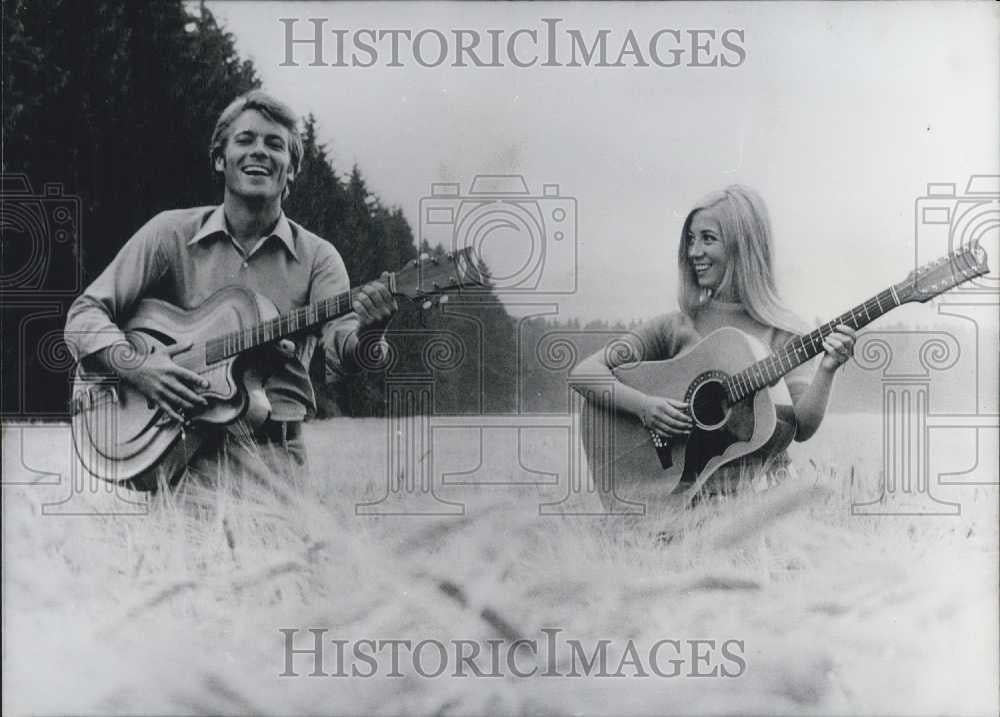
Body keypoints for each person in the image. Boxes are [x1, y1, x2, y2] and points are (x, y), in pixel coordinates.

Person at [64, 90, 398, 495]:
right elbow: (83, 315)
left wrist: (373, 332)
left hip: (275, 463)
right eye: (246, 140)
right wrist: (138, 367)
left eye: (275, 144)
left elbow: (344, 357)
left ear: (291, 170)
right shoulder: (169, 234)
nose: (260, 151)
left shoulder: (319, 258)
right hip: (181, 457)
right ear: (220, 159)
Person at [571, 185, 856, 505]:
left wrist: (828, 369)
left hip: (760, 504)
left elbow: (800, 427)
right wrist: (645, 407)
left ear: (742, 247)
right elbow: (585, 372)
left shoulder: (787, 334)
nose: (694, 252)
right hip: (682, 501)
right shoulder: (674, 327)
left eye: (708, 239)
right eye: (691, 240)